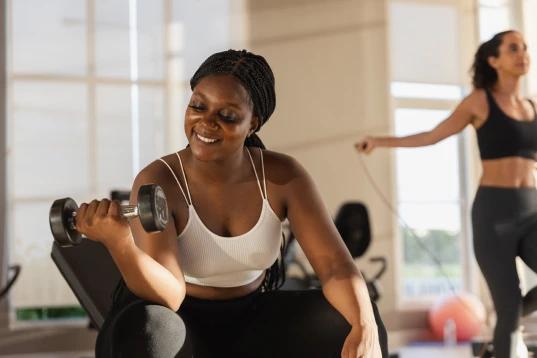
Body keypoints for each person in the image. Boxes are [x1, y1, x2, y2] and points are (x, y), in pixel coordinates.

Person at [74, 49, 388, 358]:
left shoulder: (282, 177)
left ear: (253, 123)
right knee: (152, 329)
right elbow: (169, 293)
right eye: (198, 106)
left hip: (251, 323)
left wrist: (365, 326)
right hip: (177, 321)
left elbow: (335, 268)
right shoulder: (160, 180)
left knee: (358, 319)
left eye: (227, 115)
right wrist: (121, 242)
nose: (206, 123)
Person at [357, 30, 536, 358]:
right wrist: (380, 141)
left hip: (531, 211)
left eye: (525, 47)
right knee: (509, 311)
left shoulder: (532, 106)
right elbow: (431, 136)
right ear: (493, 60)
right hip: (494, 215)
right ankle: (505, 326)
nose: (523, 53)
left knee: (509, 311)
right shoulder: (480, 101)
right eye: (513, 49)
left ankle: (507, 318)